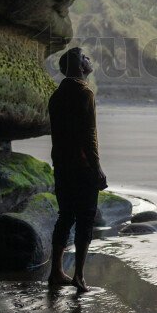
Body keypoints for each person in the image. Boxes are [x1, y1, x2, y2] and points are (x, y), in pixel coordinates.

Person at [47, 46, 107, 291]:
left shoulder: (56, 95)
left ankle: (56, 272)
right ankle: (80, 276)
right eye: (85, 57)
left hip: (61, 165)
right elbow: (89, 134)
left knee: (65, 216)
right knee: (85, 219)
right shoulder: (84, 93)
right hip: (82, 166)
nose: (89, 59)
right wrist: (97, 168)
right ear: (79, 66)